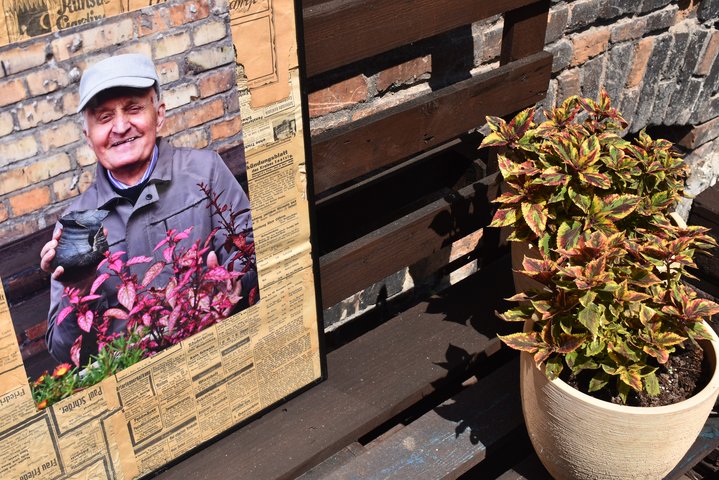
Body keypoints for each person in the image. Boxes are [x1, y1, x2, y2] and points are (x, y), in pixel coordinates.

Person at [40, 54, 256, 365]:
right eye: (104, 117)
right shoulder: (77, 223)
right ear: (88, 138)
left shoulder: (205, 172)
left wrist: (233, 284)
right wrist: (78, 291)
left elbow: (256, 257)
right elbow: (66, 354)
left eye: (134, 109)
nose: (120, 126)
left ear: (160, 114)